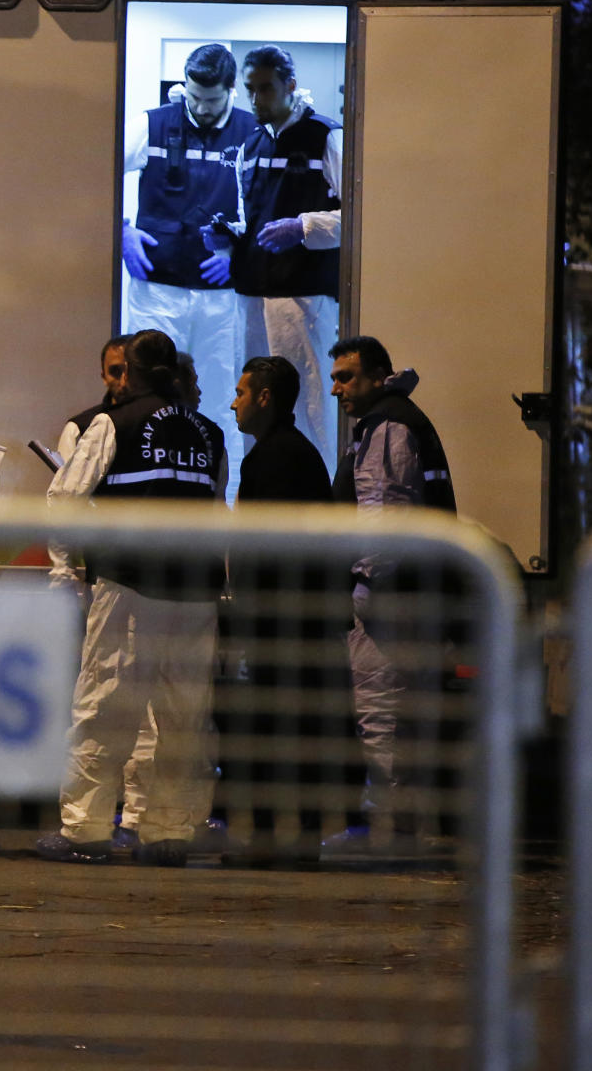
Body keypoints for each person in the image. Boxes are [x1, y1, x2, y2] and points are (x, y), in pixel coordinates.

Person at [37, 329, 227, 868]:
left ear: (134, 373)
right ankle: (167, 832)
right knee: (183, 717)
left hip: (129, 586)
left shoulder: (112, 423)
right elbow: (215, 514)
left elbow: (65, 498)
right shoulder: (209, 433)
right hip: (194, 594)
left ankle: (85, 830)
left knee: (104, 707)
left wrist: (66, 570)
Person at [327, 334, 456, 850]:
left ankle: (389, 831)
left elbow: (384, 515)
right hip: (419, 593)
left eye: (347, 378)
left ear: (378, 376)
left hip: (390, 598)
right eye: (334, 378)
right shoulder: (401, 418)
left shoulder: (386, 426)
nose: (337, 389)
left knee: (382, 713)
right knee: (411, 716)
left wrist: (366, 586)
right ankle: (410, 828)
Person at [224, 355, 341, 865]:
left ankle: (271, 840)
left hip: (280, 621)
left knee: (270, 731)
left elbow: (259, 548)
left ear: (265, 398)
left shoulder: (269, 458)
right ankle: (305, 838)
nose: (234, 402)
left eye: (242, 392)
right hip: (308, 618)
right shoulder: (303, 453)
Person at [205, 45, 342, 468]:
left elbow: (361, 216)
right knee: (251, 406)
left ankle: (315, 505)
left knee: (308, 406)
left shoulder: (326, 136)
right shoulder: (250, 142)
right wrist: (229, 237)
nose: (255, 98)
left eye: (265, 89)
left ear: (290, 86)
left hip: (303, 297)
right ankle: (257, 500)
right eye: (250, 89)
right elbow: (256, 218)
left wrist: (301, 228)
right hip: (250, 295)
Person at [122, 43, 255, 479]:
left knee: (221, 400)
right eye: (193, 96)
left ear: (232, 90)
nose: (200, 107)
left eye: (211, 99)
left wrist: (239, 255)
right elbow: (88, 171)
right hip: (156, 290)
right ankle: (145, 484)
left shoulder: (253, 134)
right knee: (147, 393)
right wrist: (121, 231)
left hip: (223, 299)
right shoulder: (153, 124)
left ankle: (224, 502)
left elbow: (269, 210)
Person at [56, 333, 131, 464]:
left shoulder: (162, 423)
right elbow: (65, 483)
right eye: (115, 371)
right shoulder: (78, 428)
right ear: (104, 377)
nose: (124, 380)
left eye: (131, 371)